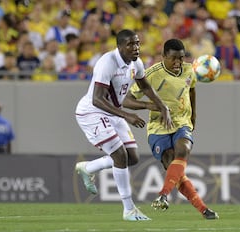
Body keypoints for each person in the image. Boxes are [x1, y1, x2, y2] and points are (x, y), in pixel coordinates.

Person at [74, 29, 172, 221]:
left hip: (114, 111)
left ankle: (89, 167)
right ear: (119, 47)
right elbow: (97, 99)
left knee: (132, 158)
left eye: (137, 43)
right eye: (130, 44)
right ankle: (129, 209)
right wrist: (128, 115)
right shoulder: (107, 63)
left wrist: (162, 106)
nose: (135, 48)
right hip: (92, 112)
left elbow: (144, 86)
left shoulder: (136, 63)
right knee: (119, 155)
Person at [123, 38, 219, 220]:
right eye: (173, 58)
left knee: (183, 149)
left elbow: (191, 90)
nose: (178, 63)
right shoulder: (151, 74)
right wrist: (149, 106)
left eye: (181, 58)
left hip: (182, 122)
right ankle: (203, 209)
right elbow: (126, 100)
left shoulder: (189, 70)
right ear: (163, 56)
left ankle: (163, 194)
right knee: (174, 170)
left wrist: (194, 116)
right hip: (158, 127)